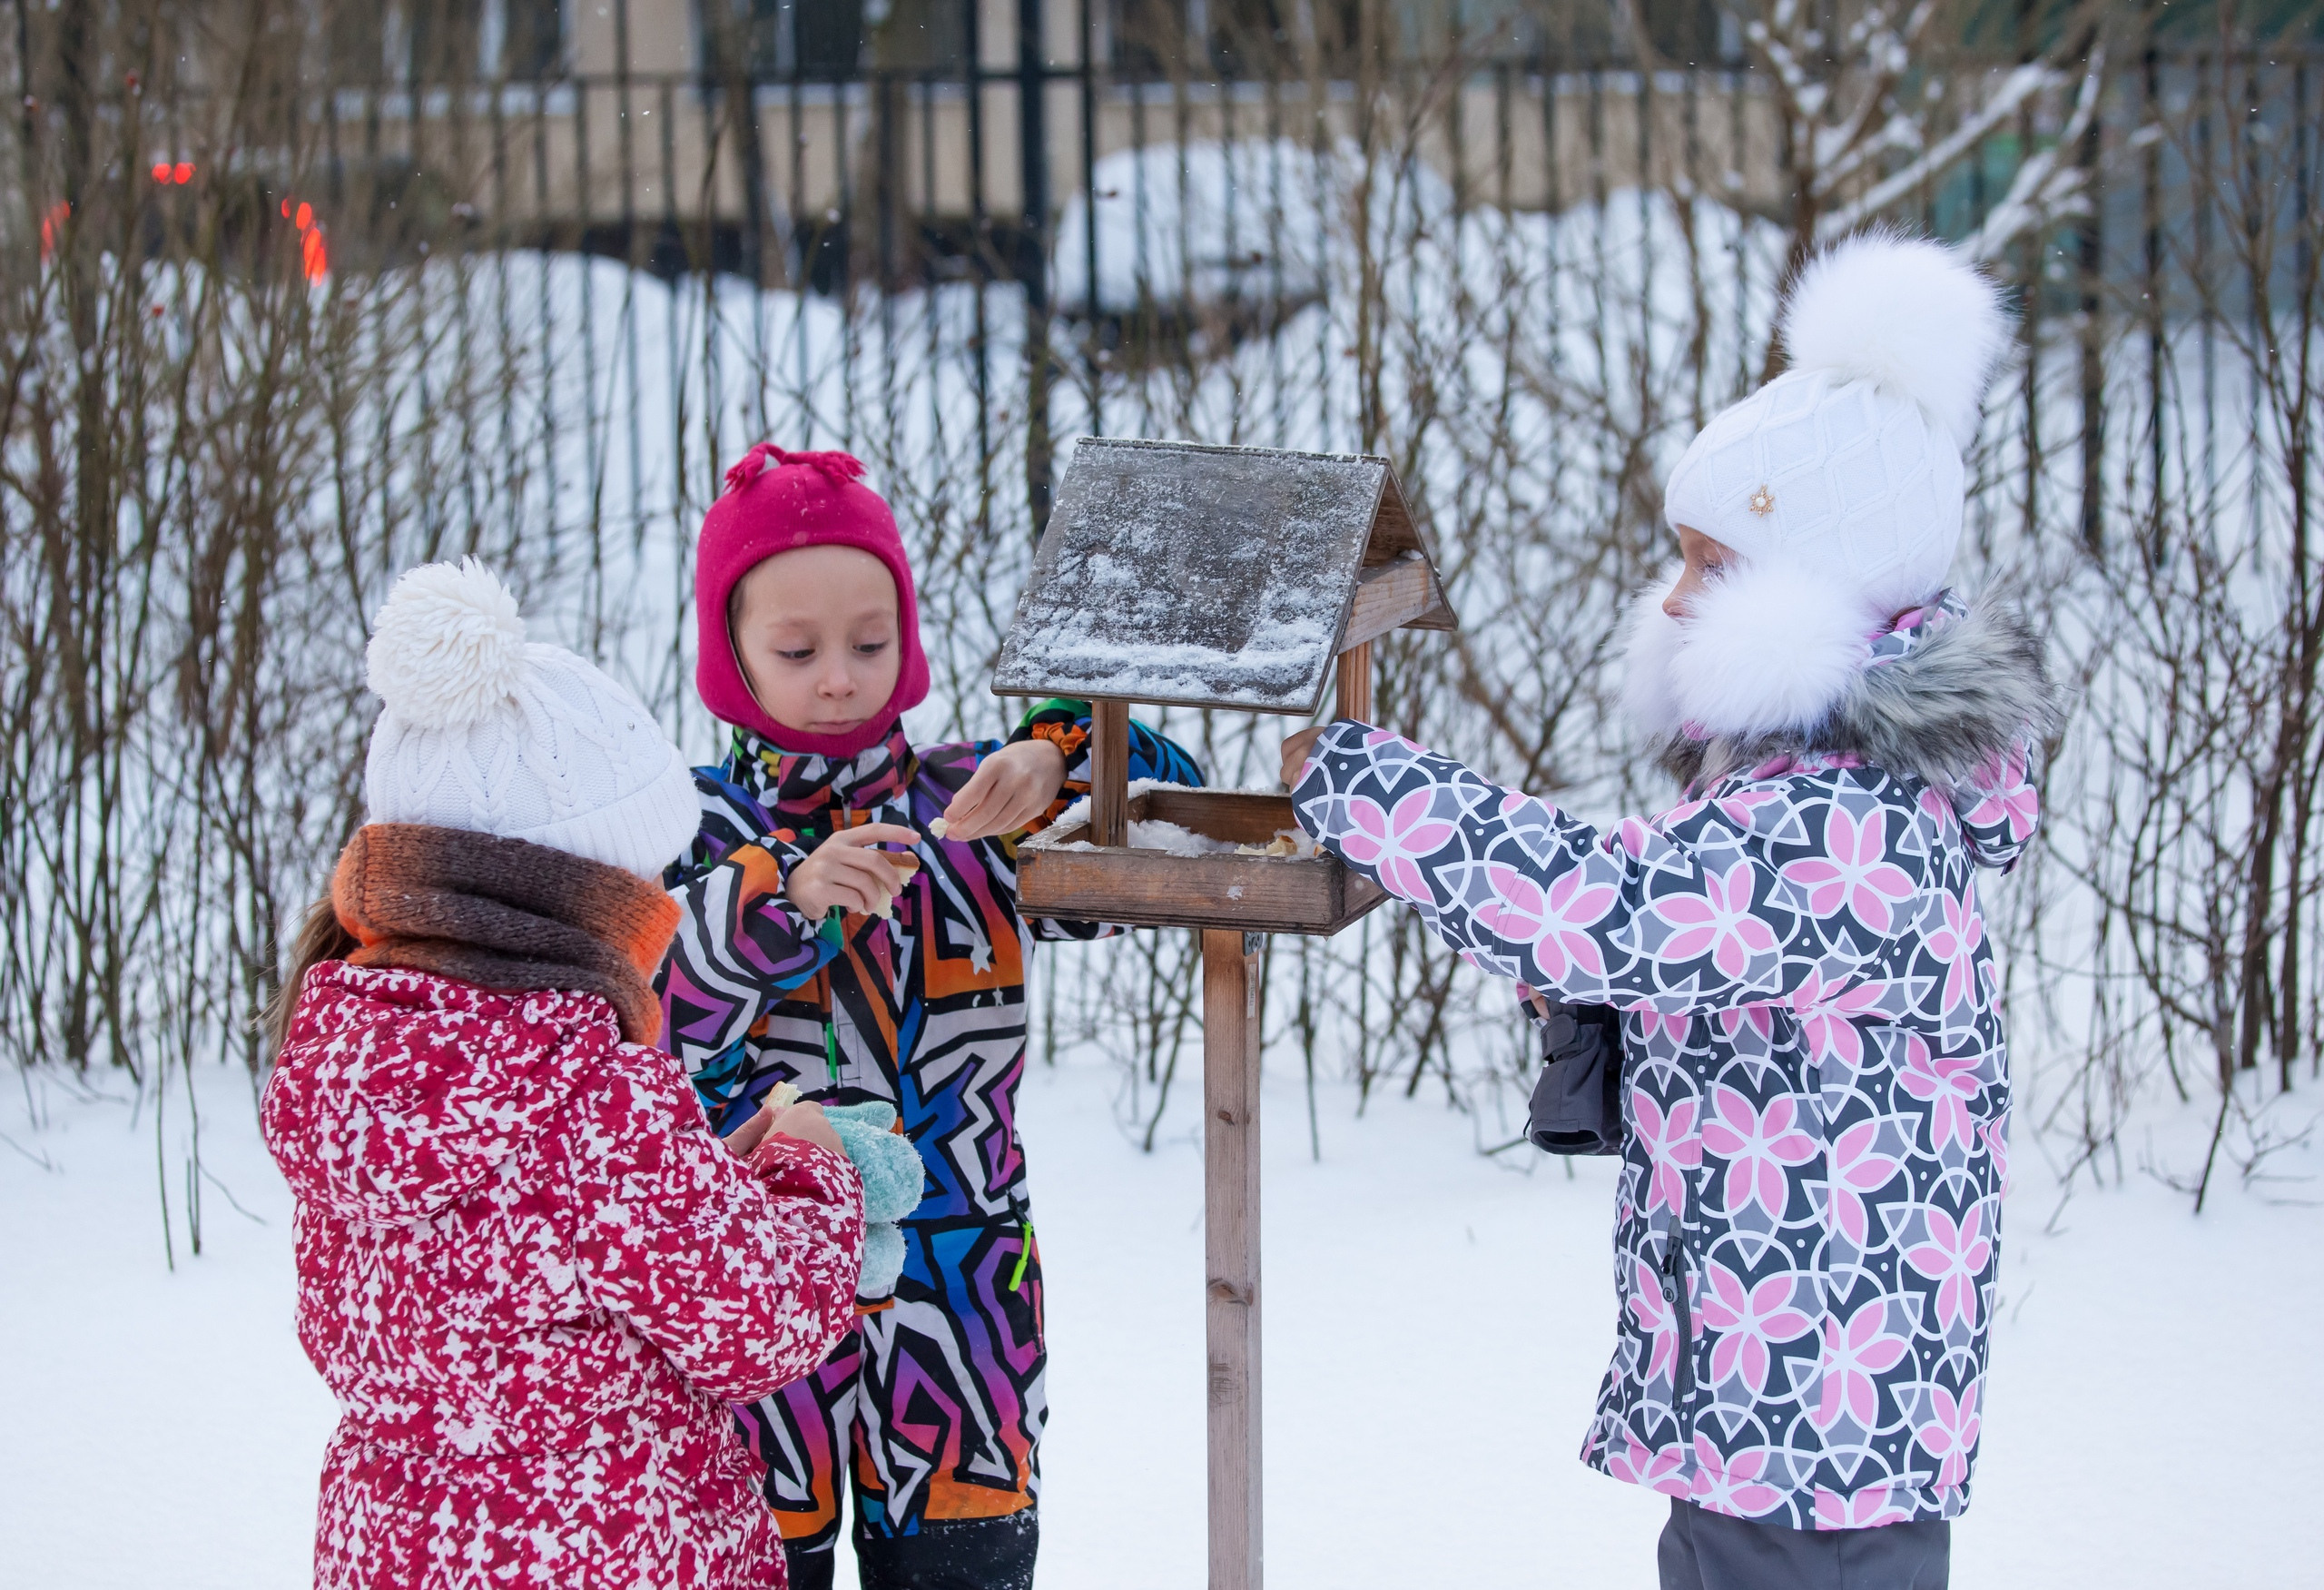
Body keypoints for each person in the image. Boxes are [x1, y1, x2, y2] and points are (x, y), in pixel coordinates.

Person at [1283, 232, 2055, 1590]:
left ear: (1818, 594)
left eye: (1714, 563)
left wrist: (1367, 779)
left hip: (1817, 1391)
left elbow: (1607, 907)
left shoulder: (1844, 820)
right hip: (1794, 1375)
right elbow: (1693, 960)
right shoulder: (1819, 786)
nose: (1677, 595)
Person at [657, 444, 1205, 1590]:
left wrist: (1056, 752)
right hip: (753, 1301)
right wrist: (784, 898)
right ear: (729, 652)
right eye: (797, 650)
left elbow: (1167, 823)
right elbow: (651, 1027)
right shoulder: (684, 825)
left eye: (870, 641)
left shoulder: (969, 809)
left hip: (965, 1301)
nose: (841, 677)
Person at [263, 558, 866, 1590]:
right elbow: (757, 1320)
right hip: (612, 1546)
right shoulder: (590, 1087)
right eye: (643, 881)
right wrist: (806, 1174)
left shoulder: (343, 1051)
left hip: (392, 1549)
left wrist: (707, 1172)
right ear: (579, 894)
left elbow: (517, 1255)